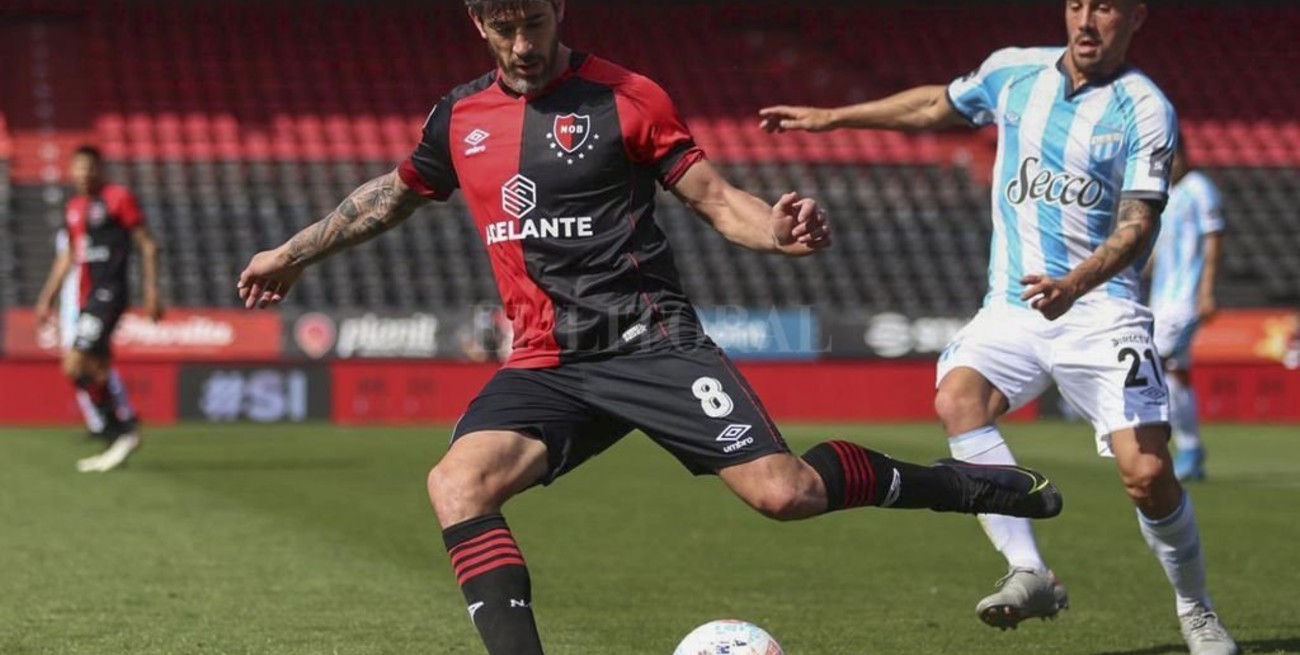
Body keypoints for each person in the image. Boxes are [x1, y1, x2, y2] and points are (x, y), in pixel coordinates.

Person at [238, 1, 1063, 653]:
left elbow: (714, 199)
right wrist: (293, 251)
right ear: (476, 21)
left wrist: (777, 230)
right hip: (547, 362)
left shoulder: (626, 97)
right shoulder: (457, 118)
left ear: (559, 8)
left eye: (534, 20)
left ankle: (966, 486)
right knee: (456, 484)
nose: (522, 41)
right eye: (503, 24)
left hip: (649, 340)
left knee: (786, 495)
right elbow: (389, 196)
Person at [759, 1, 1236, 654]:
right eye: (1076, 5)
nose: (1086, 22)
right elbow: (935, 106)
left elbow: (1138, 224)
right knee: (958, 398)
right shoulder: (1015, 73)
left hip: (1101, 310)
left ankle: (1196, 607)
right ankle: (1030, 569)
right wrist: (832, 118)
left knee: (1148, 473)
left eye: (1105, 8)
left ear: (1136, 17)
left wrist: (1076, 283)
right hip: (1012, 306)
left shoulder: (1144, 107)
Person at [34, 145, 162, 473]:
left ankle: (121, 429)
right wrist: (47, 296)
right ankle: (117, 435)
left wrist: (151, 291)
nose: (82, 174)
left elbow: (147, 244)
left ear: (99, 169)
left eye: (88, 168)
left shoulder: (117, 198)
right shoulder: (74, 207)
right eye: (77, 168)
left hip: (110, 293)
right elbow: (68, 256)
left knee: (75, 363)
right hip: (86, 297)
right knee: (97, 368)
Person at [1148, 139, 1224, 482]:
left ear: (1185, 156)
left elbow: (1212, 239)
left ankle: (1155, 448)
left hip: (1184, 299)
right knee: (1175, 374)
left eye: (1172, 157)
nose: (1169, 165)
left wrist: (1206, 291)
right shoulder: (1168, 196)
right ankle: (1191, 449)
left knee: (1154, 364)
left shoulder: (1199, 188)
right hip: (1161, 298)